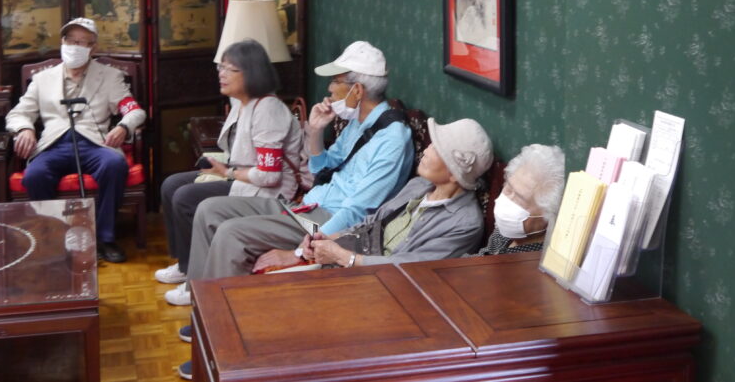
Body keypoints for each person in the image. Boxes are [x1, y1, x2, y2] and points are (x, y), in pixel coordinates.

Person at [163, 40, 413, 308]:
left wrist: (301, 252)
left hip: (326, 220)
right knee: (209, 209)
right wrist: (315, 131)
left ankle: (214, 313)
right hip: (308, 206)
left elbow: (357, 211)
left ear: (357, 90)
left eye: (335, 81)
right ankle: (197, 293)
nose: (330, 89)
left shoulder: (392, 139)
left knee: (231, 232)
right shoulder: (358, 123)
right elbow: (320, 169)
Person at [154, 39, 305, 286]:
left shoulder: (268, 109)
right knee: (171, 185)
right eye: (220, 67)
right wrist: (222, 168)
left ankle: (196, 275)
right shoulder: (241, 103)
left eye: (230, 69)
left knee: (185, 197)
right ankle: (185, 264)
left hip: (269, 191)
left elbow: (269, 176)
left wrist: (228, 173)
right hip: (244, 178)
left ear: (252, 72)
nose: (221, 74)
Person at [265, 117, 493, 270]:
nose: (426, 150)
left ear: (454, 173)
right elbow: (371, 222)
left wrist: (343, 257)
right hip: (357, 255)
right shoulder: (419, 186)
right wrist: (326, 238)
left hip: (384, 283)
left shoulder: (464, 223)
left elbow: (411, 267)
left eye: (437, 149)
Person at [6, 17, 146, 264]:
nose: (75, 47)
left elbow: (134, 111)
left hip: (95, 143)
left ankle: (104, 238)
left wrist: (124, 127)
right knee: (35, 176)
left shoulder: (110, 76)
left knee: (114, 165)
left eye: (82, 42)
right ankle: (55, 238)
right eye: (71, 41)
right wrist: (25, 129)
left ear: (93, 47)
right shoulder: (42, 79)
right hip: (54, 144)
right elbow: (18, 114)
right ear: (62, 43)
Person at [476, 143, 565, 256]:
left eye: (520, 199)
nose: (507, 202)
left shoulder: (540, 258)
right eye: (508, 189)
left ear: (547, 217)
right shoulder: (507, 231)